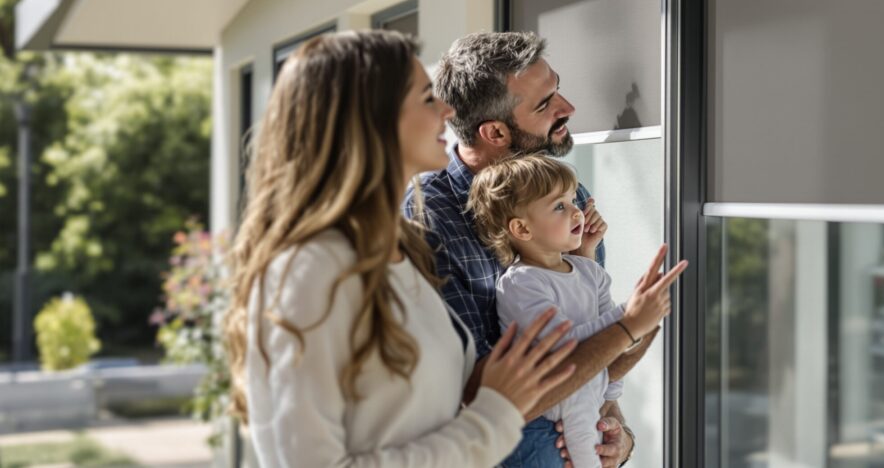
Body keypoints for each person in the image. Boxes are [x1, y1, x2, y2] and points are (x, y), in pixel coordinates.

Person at [223, 30, 579, 467]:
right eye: (428, 98)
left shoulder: (399, 248)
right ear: (372, 120)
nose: (448, 112)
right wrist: (494, 418)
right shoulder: (308, 271)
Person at [408, 31, 674, 467]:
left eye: (557, 88)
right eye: (544, 103)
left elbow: (589, 341)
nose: (567, 108)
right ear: (494, 131)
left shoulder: (565, 196)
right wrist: (627, 329)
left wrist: (616, 434)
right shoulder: (427, 224)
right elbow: (475, 399)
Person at [468, 155, 685, 468]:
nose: (576, 210)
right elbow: (564, 346)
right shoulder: (520, 283)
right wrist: (629, 316)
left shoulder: (589, 271)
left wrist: (609, 403)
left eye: (572, 200)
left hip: (590, 394)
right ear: (522, 229)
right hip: (553, 403)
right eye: (559, 206)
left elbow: (610, 344)